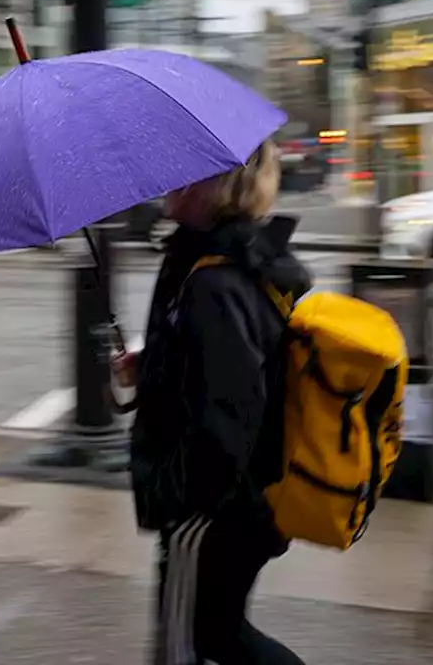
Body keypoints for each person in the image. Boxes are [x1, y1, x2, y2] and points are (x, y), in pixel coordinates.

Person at [127, 140, 311, 665]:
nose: (166, 178)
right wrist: (152, 368)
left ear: (209, 186)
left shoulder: (213, 280)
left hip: (214, 509)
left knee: (191, 643)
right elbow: (226, 369)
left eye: (179, 170)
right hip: (240, 501)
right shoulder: (232, 261)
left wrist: (182, 504)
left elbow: (229, 413)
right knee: (215, 632)